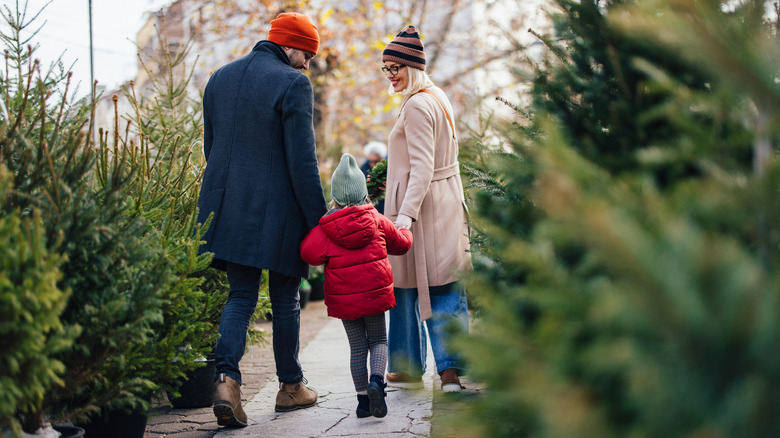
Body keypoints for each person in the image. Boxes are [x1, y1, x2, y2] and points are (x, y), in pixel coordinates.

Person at [196, 12, 327, 427]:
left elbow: (210, 147)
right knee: (287, 296)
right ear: (290, 46)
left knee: (240, 295)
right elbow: (303, 162)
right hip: (280, 212)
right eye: (306, 54)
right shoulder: (293, 83)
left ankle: (225, 380)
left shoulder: (220, 77)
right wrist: (321, 222)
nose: (308, 64)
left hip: (229, 206)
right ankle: (290, 386)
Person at [380, 26, 473, 393]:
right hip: (443, 201)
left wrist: (404, 216)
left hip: (422, 207)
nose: (391, 75)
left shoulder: (418, 105)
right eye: (386, 68)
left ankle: (416, 366)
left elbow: (421, 167)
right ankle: (447, 370)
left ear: (413, 66)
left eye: (396, 67)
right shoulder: (436, 96)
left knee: (412, 285)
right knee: (444, 282)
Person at [301, 153, 413, 418]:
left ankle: (363, 401)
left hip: (345, 300)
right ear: (364, 193)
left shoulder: (325, 227)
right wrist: (405, 229)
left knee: (357, 347)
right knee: (378, 341)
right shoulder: (376, 219)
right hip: (375, 294)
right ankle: (377, 381)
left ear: (336, 197)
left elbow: (308, 253)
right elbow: (402, 244)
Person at [360, 141, 387, 214]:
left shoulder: (389, 165)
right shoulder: (365, 167)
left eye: (375, 161)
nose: (372, 164)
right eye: (370, 161)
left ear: (382, 158)